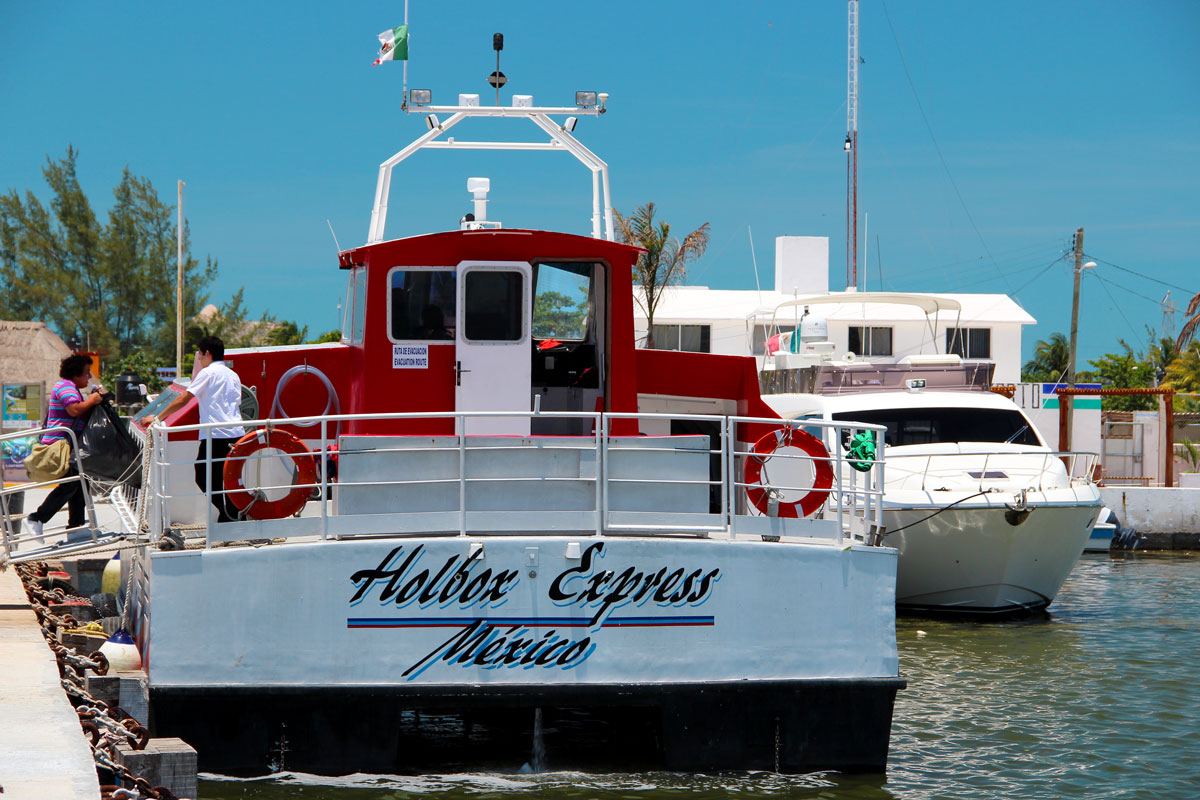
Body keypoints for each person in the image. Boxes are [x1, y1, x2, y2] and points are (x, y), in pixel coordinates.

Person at [145, 336, 245, 522]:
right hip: (237, 433)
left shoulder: (207, 373)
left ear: (207, 353)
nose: (198, 358)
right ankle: (234, 514)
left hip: (216, 434)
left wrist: (157, 417)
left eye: (199, 353)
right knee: (229, 477)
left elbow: (184, 398)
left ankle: (228, 515)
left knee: (203, 476)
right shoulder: (233, 375)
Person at [24, 354, 106, 542]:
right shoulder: (65, 387)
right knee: (70, 483)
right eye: (86, 373)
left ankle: (76, 527)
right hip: (58, 446)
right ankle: (36, 519)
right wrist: (92, 400)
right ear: (75, 373)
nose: (89, 377)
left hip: (69, 447)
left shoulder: (72, 389)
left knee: (81, 483)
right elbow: (74, 410)